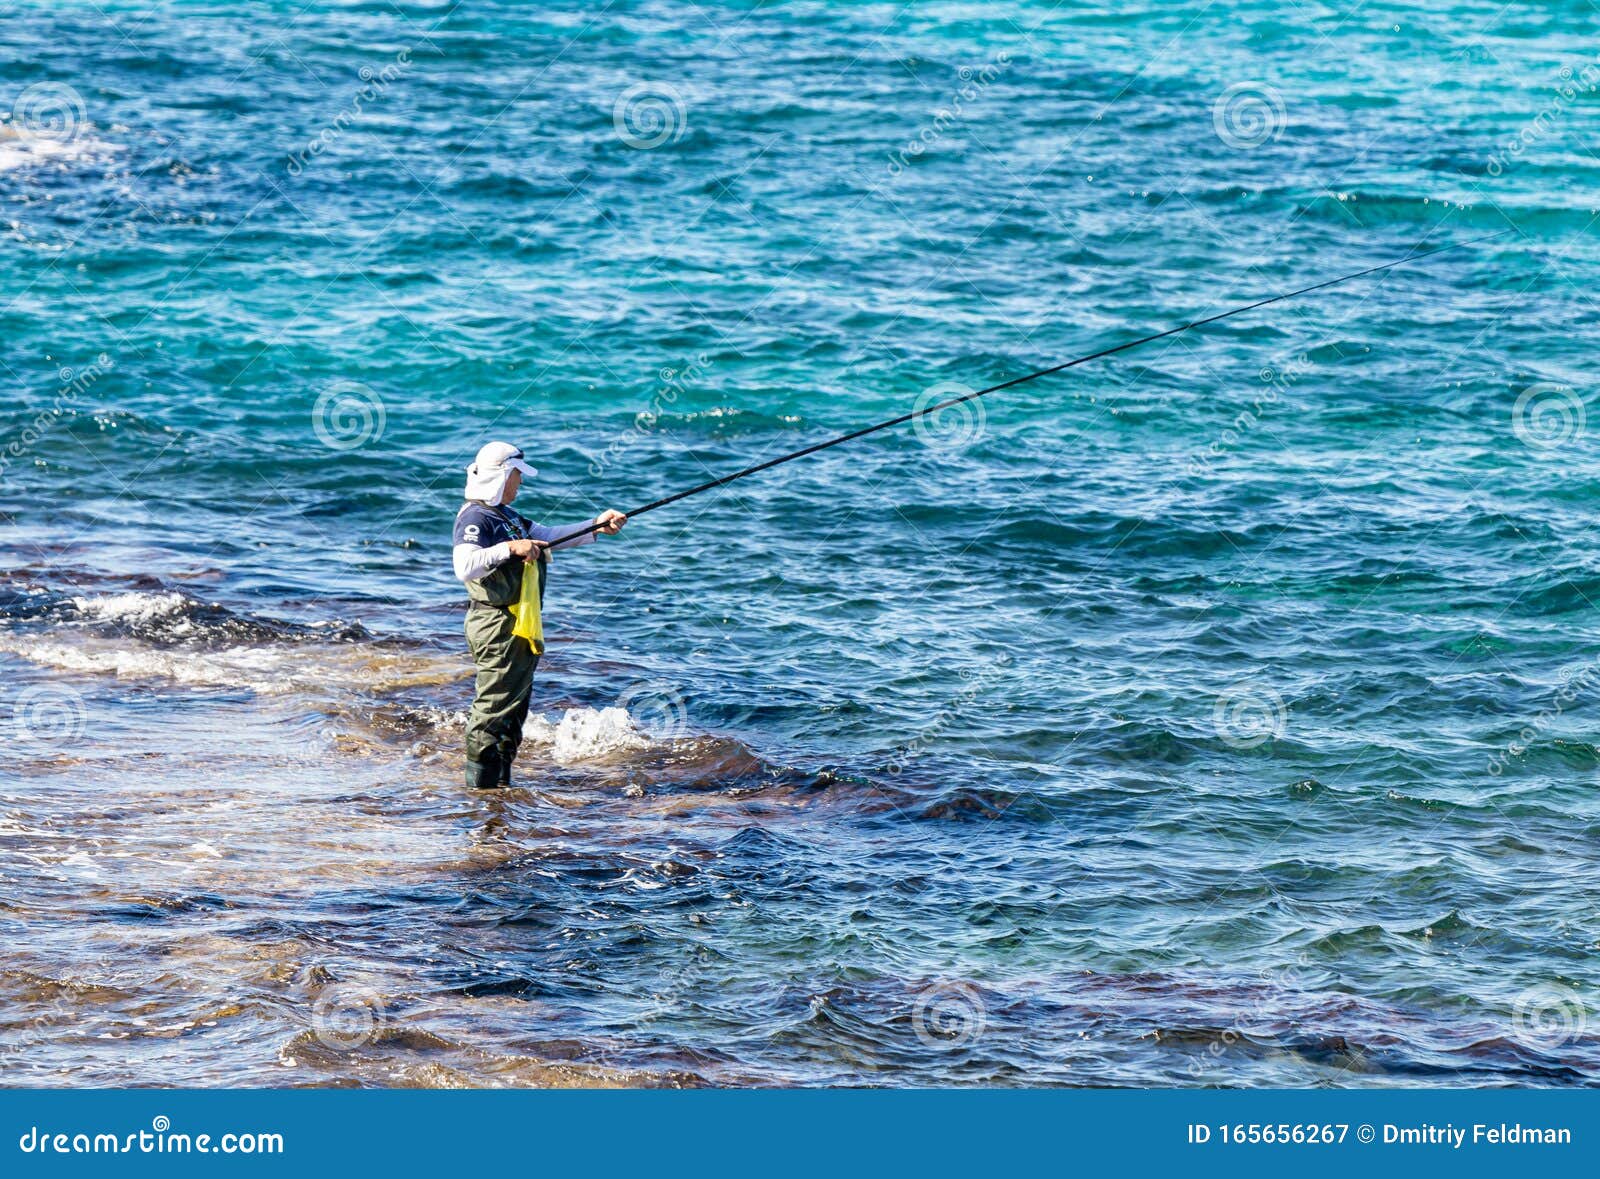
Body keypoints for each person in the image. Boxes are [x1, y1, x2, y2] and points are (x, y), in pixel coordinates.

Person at [452, 441, 626, 789]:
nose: (519, 483)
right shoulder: (475, 517)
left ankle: (500, 790)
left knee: (513, 709)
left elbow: (547, 537)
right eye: (516, 475)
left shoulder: (508, 516)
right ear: (501, 476)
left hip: (519, 623)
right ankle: (480, 791)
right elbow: (464, 566)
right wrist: (510, 548)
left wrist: (596, 526)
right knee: (493, 708)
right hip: (496, 624)